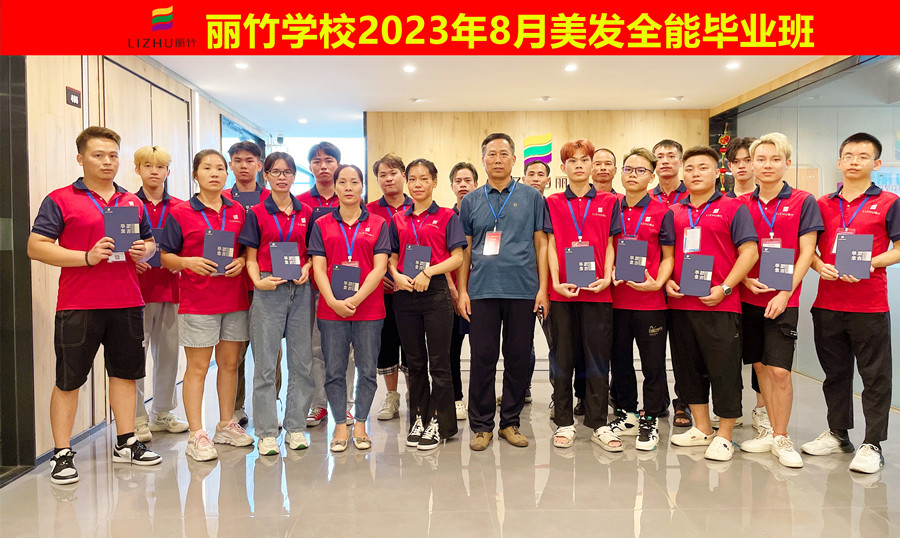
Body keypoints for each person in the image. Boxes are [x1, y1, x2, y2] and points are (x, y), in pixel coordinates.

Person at [28, 126, 163, 484]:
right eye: (98, 155)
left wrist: (144, 250)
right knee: (69, 379)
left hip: (127, 302)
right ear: (80, 158)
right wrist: (85, 257)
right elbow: (36, 246)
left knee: (125, 375)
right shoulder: (60, 199)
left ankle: (126, 442)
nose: (107, 162)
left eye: (113, 156)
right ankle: (62, 453)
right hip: (79, 304)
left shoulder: (131, 201)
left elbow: (150, 242)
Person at [802, 132, 900, 474]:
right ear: (839, 162)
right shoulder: (822, 203)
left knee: (875, 377)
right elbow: (809, 250)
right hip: (828, 304)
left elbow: (899, 250)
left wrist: (872, 262)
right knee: (835, 375)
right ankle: (837, 433)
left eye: (863, 156)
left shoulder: (889, 202)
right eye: (849, 155)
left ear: (876, 163)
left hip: (870, 306)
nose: (854, 161)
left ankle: (872, 444)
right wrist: (819, 266)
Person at [665, 145, 758, 462]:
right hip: (681, 305)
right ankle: (702, 428)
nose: (695, 173)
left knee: (724, 371)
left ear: (717, 172)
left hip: (720, 304)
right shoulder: (674, 212)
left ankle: (725, 434)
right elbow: (667, 256)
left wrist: (726, 287)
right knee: (687, 370)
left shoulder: (733, 207)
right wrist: (668, 281)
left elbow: (749, 252)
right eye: (689, 168)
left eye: (702, 167)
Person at [158, 149, 253, 461]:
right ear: (195, 174)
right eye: (207, 168)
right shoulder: (181, 212)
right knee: (198, 368)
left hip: (234, 299)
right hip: (198, 301)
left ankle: (225, 424)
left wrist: (242, 261)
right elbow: (165, 257)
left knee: (230, 364)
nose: (215, 173)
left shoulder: (239, 210)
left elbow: (247, 251)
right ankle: (197, 434)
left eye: (220, 168)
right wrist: (187, 262)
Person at [736, 133, 822, 468]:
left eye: (775, 159)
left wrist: (786, 292)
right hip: (748, 299)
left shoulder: (803, 201)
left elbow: (807, 252)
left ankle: (783, 437)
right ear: (751, 164)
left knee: (780, 371)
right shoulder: (741, 204)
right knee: (759, 366)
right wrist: (744, 279)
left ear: (786, 162)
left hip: (784, 300)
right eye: (760, 159)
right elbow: (735, 251)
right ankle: (770, 431)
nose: (767, 165)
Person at [458, 133, 549, 451]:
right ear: (483, 160)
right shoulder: (470, 201)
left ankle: (510, 422)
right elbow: (465, 250)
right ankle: (481, 426)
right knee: (482, 358)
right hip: (481, 291)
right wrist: (462, 290)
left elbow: (541, 244)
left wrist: (543, 289)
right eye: (491, 154)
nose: (497, 159)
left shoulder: (532, 197)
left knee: (518, 358)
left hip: (522, 290)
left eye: (503, 153)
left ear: (513, 159)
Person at [544, 139, 621, 450]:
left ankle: (599, 423)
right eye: (572, 161)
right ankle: (564, 422)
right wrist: (554, 282)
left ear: (592, 165)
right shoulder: (552, 202)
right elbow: (549, 244)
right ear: (563, 167)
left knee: (598, 360)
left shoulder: (609, 201)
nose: (578, 165)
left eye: (584, 160)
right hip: (563, 294)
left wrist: (607, 277)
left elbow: (612, 244)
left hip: (598, 293)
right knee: (562, 359)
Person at [308, 164, 390, 452]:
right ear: (335, 187)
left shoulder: (378, 223)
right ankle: (340, 426)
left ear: (362, 186)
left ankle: (361, 424)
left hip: (369, 309)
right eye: (342, 182)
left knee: (367, 370)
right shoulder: (321, 224)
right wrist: (332, 301)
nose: (348, 187)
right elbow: (318, 268)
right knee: (334, 370)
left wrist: (355, 299)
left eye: (354, 182)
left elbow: (380, 267)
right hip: (331, 310)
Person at [239, 151, 315, 455]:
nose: (282, 177)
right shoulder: (256, 213)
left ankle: (295, 427)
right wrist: (258, 282)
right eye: (275, 172)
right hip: (269, 286)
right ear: (266, 175)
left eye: (287, 172)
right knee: (266, 365)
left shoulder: (307, 212)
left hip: (300, 288)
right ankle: (267, 432)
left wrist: (307, 268)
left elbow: (313, 254)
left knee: (302, 363)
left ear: (295, 176)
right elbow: (250, 257)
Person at [389, 158, 465, 449]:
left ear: (434, 182)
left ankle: (439, 423)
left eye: (424, 179)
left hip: (435, 293)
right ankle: (418, 419)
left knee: (439, 363)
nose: (418, 184)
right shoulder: (398, 219)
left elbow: (457, 257)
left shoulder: (447, 216)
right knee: (415, 363)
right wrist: (396, 275)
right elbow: (392, 258)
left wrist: (429, 272)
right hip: (405, 293)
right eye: (413, 179)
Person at [609, 148, 675, 451]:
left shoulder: (663, 212)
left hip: (650, 303)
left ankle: (651, 418)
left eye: (640, 170)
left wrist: (657, 284)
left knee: (653, 365)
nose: (633, 175)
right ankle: (627, 415)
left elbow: (668, 256)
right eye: (628, 169)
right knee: (620, 362)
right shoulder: (611, 208)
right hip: (615, 302)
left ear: (651, 176)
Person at [132, 145, 189, 442]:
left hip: (172, 289)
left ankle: (163, 412)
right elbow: (115, 245)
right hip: (135, 291)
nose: (154, 171)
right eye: (147, 165)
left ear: (168, 172)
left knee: (168, 355)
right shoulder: (126, 205)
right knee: (134, 358)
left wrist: (178, 262)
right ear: (137, 169)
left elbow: (189, 246)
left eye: (160, 166)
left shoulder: (181, 208)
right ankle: (137, 418)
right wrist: (130, 263)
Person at [299, 141, 356, 427]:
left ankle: (345, 405)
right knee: (315, 348)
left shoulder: (351, 198)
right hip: (310, 287)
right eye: (317, 161)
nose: (323, 166)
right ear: (310, 166)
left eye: (329, 160)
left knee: (347, 350)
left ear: (338, 164)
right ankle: (318, 404)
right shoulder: (300, 202)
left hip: (348, 287)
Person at [723, 136, 768, 433]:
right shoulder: (721, 201)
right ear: (728, 166)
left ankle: (762, 409)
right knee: (728, 355)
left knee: (760, 357)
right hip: (728, 290)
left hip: (763, 290)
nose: (742, 166)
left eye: (747, 160)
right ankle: (731, 408)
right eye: (735, 161)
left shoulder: (767, 199)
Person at [367, 153, 412, 421]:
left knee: (412, 344)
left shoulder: (416, 206)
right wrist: (376, 275)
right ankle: (392, 396)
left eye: (393, 173)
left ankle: (414, 394)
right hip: (379, 291)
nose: (388, 178)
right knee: (386, 345)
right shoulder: (369, 210)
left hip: (411, 289)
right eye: (382, 175)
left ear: (403, 176)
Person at [227, 140, 268, 428]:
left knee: (269, 351)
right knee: (234, 351)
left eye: (249, 160)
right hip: (232, 286)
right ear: (231, 164)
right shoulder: (222, 199)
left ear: (259, 165)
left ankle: (270, 404)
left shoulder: (272, 198)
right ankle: (235, 406)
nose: (244, 165)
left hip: (265, 284)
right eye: (238, 160)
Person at [651, 139, 691, 427]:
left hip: (684, 286)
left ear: (680, 162)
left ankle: (684, 403)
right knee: (653, 352)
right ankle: (658, 401)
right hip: (652, 286)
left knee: (683, 351)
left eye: (671, 156)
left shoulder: (694, 195)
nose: (665, 160)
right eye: (660, 156)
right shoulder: (645, 197)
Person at [448, 162, 479, 419]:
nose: (463, 185)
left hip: (478, 290)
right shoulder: (445, 217)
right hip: (450, 293)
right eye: (458, 181)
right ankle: (456, 398)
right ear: (451, 186)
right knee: (451, 350)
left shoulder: (484, 214)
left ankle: (479, 399)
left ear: (476, 184)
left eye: (467, 180)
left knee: (481, 350)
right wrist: (452, 288)